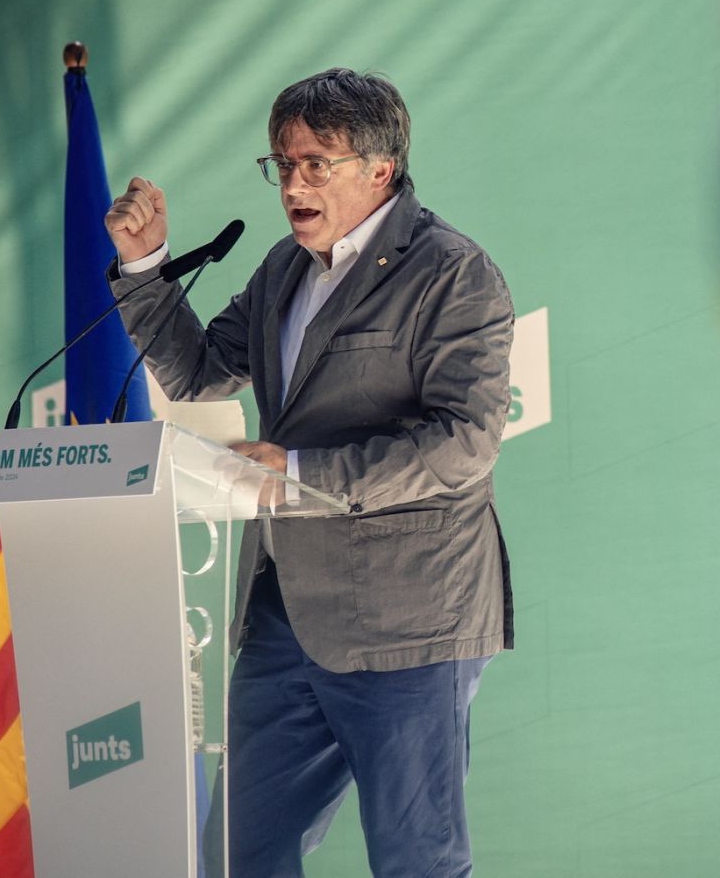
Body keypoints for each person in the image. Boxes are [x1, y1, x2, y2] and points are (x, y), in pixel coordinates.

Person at [104, 68, 514, 878]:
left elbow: (465, 441)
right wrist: (146, 266)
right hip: (287, 618)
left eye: (315, 163)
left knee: (416, 861)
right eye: (281, 163)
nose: (292, 181)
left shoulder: (452, 275)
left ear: (380, 169)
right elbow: (196, 371)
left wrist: (297, 473)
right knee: (242, 857)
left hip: (409, 624)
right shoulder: (282, 271)